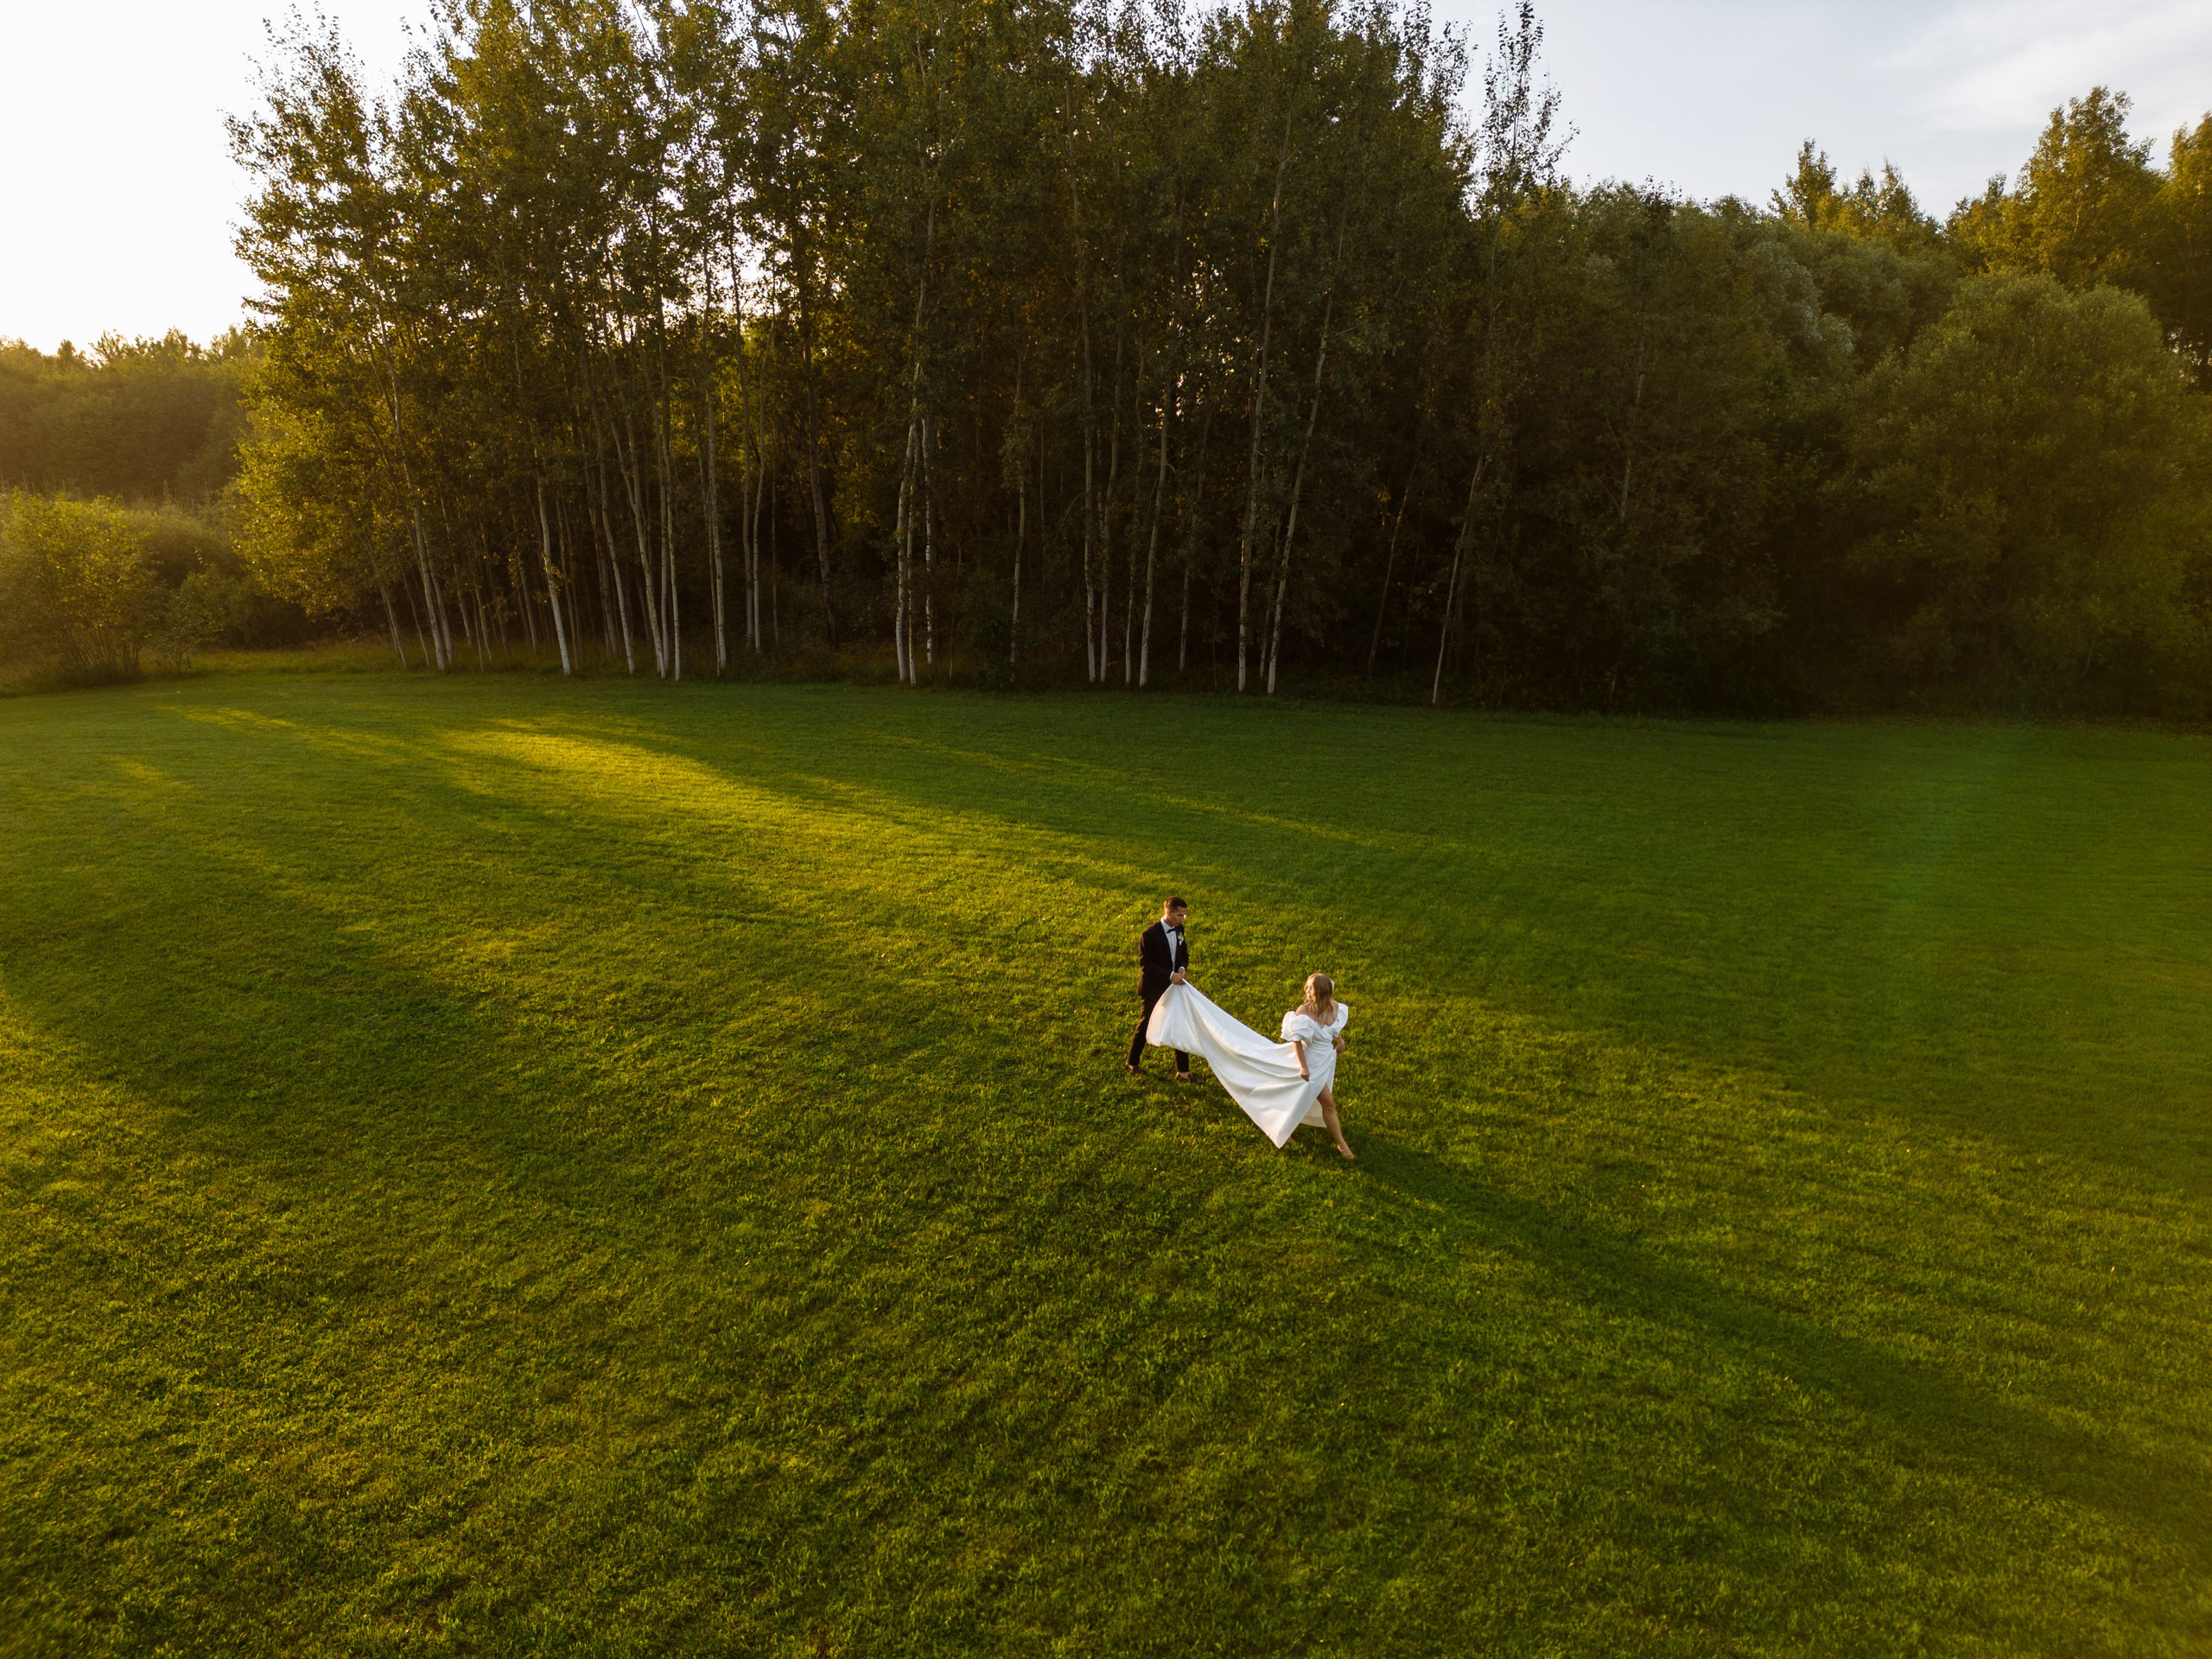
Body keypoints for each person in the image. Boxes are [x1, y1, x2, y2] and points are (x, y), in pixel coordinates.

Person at [1283, 973, 1353, 1160]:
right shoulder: (1303, 1012)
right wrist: (1304, 1067)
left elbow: (1331, 1029)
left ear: (1321, 992)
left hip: (1325, 1060)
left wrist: (1340, 1041)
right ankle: (1342, 1144)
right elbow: (1296, 1041)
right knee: (1328, 1104)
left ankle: (1284, 1129)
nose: (1306, 990)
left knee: (1299, 1096)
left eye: (1310, 988)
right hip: (1311, 1063)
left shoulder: (1335, 1007)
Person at [1128, 896, 1193, 1079]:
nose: (1182, 919)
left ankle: (1183, 1072)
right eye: (1180, 915)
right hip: (1154, 989)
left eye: (1184, 916)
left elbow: (1183, 954)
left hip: (1175, 988)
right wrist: (1169, 975)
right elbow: (1145, 965)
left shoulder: (1180, 929)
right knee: (1146, 1024)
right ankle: (1132, 1062)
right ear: (1169, 912)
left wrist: (1182, 968)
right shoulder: (1149, 935)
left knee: (1179, 1026)